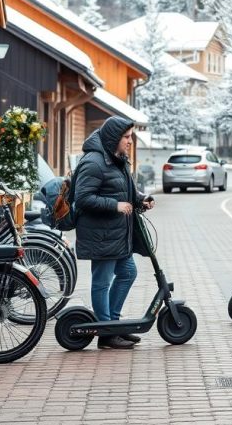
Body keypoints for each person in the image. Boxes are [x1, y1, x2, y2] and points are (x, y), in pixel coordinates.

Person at [73, 116, 154, 349]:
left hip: (116, 235)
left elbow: (124, 190)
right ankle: (106, 333)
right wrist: (115, 205)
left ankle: (113, 325)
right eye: (126, 137)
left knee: (128, 273)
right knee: (102, 281)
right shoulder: (95, 161)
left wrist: (140, 199)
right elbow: (83, 198)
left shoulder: (116, 159)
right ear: (113, 138)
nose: (130, 142)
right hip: (101, 234)